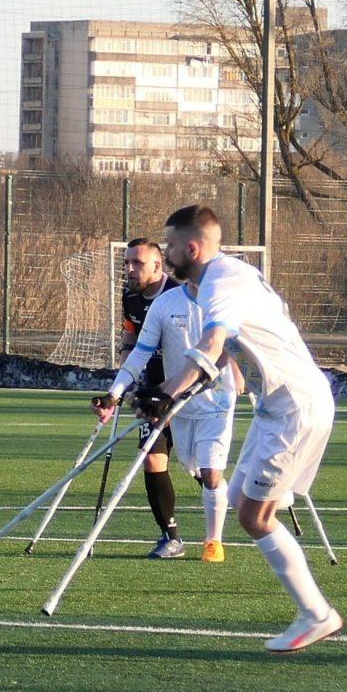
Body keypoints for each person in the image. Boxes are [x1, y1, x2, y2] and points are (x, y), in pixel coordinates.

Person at [152, 204, 342, 652]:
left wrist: (166, 393)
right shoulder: (214, 282)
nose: (166, 253)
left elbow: (214, 341)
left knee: (253, 516)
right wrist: (170, 392)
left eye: (170, 245)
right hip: (275, 406)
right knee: (240, 500)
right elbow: (221, 356)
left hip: (296, 405)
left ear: (192, 247)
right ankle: (313, 608)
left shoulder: (222, 282)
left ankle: (317, 614)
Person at [93, 237, 237, 561]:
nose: (129, 269)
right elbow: (136, 350)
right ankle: (175, 535)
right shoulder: (155, 303)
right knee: (187, 466)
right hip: (162, 398)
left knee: (211, 472)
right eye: (127, 263)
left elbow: (227, 350)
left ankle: (213, 543)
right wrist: (115, 393)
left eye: (137, 263)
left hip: (214, 400)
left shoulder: (220, 303)